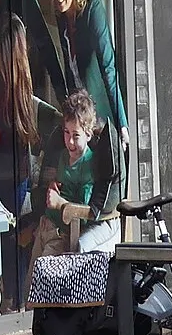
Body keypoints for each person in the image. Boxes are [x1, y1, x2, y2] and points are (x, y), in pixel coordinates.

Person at [0, 12, 55, 312]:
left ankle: (14, 299)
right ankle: (11, 296)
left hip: (14, 182)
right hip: (2, 177)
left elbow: (17, 148)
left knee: (5, 238)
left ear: (4, 51)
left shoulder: (21, 93)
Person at [39, 0, 127, 132]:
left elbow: (108, 68)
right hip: (80, 118)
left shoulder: (92, 9)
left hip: (102, 114)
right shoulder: (61, 12)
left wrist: (122, 124)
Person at [29, 90, 117, 259]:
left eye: (76, 135)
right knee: (30, 282)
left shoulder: (89, 167)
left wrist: (59, 203)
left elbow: (82, 213)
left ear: (88, 134)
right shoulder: (63, 156)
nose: (70, 141)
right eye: (66, 132)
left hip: (60, 235)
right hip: (45, 226)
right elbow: (64, 183)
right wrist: (53, 185)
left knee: (45, 281)